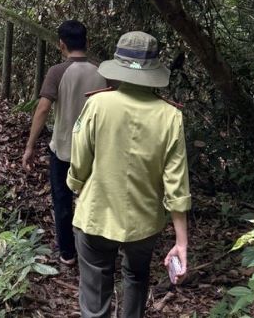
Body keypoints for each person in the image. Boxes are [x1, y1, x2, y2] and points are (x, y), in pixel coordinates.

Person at [67, 31, 190, 318]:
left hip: (96, 215)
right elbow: (177, 184)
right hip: (143, 223)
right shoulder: (170, 116)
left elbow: (80, 161)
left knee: (95, 291)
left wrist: (76, 185)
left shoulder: (98, 104)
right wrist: (181, 242)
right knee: (136, 277)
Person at [22, 20, 106, 265]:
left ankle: (68, 253)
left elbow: (43, 109)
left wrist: (30, 146)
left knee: (62, 200)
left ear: (61, 45)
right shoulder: (103, 72)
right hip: (95, 150)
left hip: (64, 149)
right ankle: (94, 251)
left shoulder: (57, 72)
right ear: (87, 42)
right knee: (92, 199)